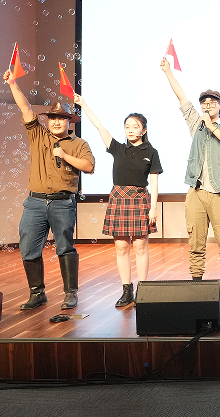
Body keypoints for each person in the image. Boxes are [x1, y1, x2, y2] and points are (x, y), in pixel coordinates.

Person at [4, 69, 95, 311]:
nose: (55, 122)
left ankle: (70, 294)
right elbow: (25, 108)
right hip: (34, 203)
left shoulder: (79, 144)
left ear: (69, 121)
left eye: (61, 118)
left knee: (65, 247)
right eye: (52, 118)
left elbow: (89, 166)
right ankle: (37, 293)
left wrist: (64, 155)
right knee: (28, 248)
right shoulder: (38, 135)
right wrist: (13, 84)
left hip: (62, 202)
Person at [160, 58, 220, 305]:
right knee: (195, 241)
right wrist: (168, 72)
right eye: (204, 102)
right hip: (195, 191)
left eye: (212, 102)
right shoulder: (196, 124)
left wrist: (212, 127)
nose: (207, 105)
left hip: (219, 192)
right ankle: (196, 284)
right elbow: (182, 98)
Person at [76, 94, 161, 308]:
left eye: (135, 126)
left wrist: (153, 208)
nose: (130, 130)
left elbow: (154, 182)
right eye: (127, 126)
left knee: (140, 246)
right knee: (121, 247)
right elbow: (99, 126)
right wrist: (83, 103)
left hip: (140, 199)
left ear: (144, 130)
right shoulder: (118, 148)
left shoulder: (151, 152)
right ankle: (126, 290)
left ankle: (143, 290)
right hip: (119, 199)